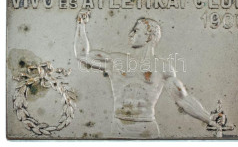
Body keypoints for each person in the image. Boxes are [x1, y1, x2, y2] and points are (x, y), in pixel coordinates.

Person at [74, 9, 218, 138]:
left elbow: (182, 99)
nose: (130, 34)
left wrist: (209, 119)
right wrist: (81, 25)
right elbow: (82, 56)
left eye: (136, 31)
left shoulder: (163, 68)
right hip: (118, 128)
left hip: (147, 129)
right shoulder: (116, 60)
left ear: (149, 36)